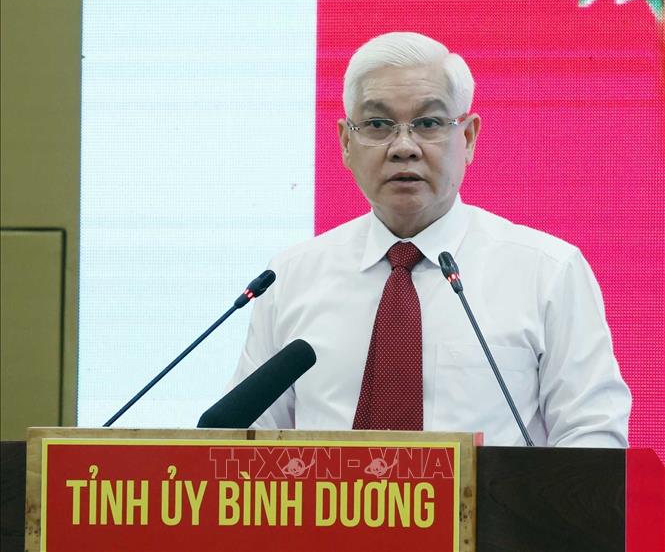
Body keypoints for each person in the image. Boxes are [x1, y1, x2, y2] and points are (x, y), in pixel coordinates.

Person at [227, 32, 631, 446]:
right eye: (378, 125)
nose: (404, 147)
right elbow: (241, 442)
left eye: (428, 124)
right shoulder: (290, 278)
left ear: (468, 138)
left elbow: (593, 437)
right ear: (346, 142)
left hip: (496, 493)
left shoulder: (546, 272)